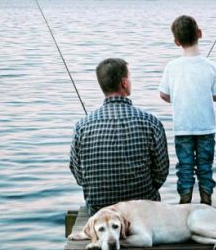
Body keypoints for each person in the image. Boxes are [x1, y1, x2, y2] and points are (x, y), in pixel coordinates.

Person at [70, 58, 169, 215]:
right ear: (124, 83)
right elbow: (161, 172)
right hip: (143, 210)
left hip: (100, 211)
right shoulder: (150, 122)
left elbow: (80, 177)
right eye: (129, 77)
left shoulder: (82, 126)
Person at [159, 15, 216, 205]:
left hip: (182, 127)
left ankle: (184, 205)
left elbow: (164, 95)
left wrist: (176, 97)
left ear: (176, 41)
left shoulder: (171, 66)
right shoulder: (212, 66)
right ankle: (206, 204)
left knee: (185, 168)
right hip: (206, 128)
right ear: (199, 34)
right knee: (205, 167)